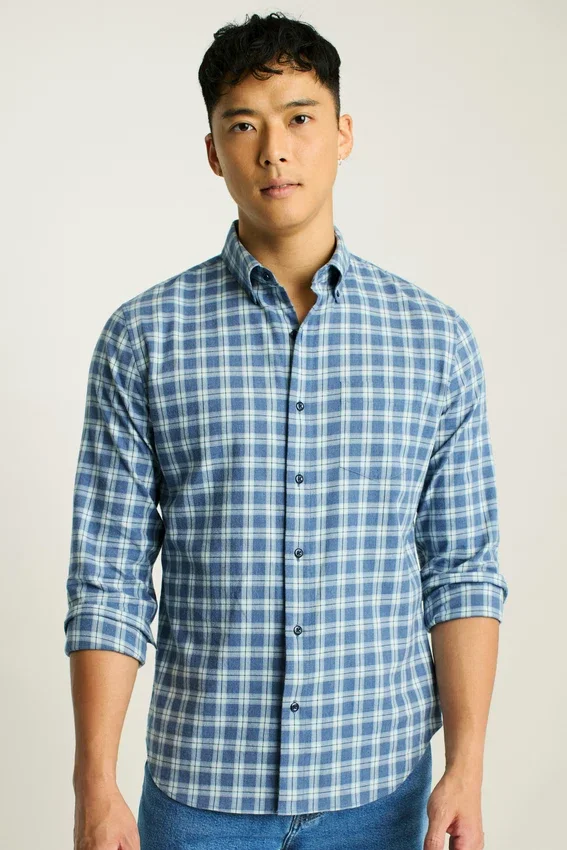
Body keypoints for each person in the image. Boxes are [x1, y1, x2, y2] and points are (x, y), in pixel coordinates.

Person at [64, 11, 509, 850]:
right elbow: (109, 580)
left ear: (342, 134)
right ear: (213, 151)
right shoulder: (144, 338)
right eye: (243, 125)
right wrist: (95, 785)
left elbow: (462, 569)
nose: (274, 150)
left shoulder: (433, 340)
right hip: (199, 793)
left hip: (381, 789)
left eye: (299, 118)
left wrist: (466, 767)